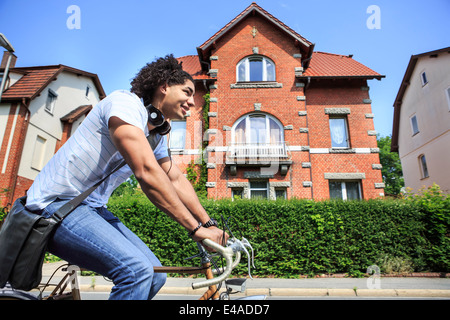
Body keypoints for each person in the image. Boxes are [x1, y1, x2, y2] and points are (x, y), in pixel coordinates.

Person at [25, 55, 227, 300]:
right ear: (164, 86)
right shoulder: (124, 104)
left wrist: (208, 224)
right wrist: (195, 229)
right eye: (186, 92)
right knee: (136, 272)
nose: (192, 102)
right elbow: (146, 171)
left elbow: (174, 179)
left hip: (92, 209)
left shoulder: (155, 136)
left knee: (155, 274)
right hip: (55, 205)